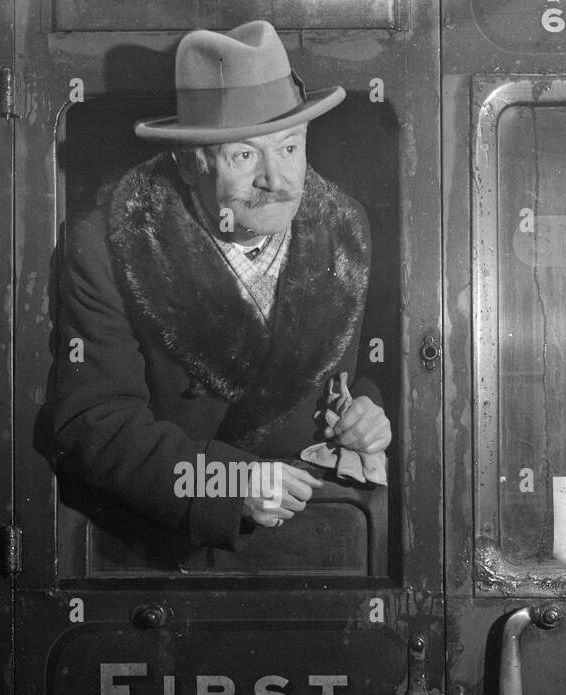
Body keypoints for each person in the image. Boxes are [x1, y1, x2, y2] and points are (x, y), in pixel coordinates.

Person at [40, 19, 390, 565]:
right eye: (244, 156)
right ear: (189, 162)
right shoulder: (107, 243)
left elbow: (374, 361)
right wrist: (224, 483)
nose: (277, 179)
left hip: (324, 541)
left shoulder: (348, 229)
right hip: (168, 556)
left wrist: (369, 408)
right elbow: (93, 424)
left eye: (289, 147)